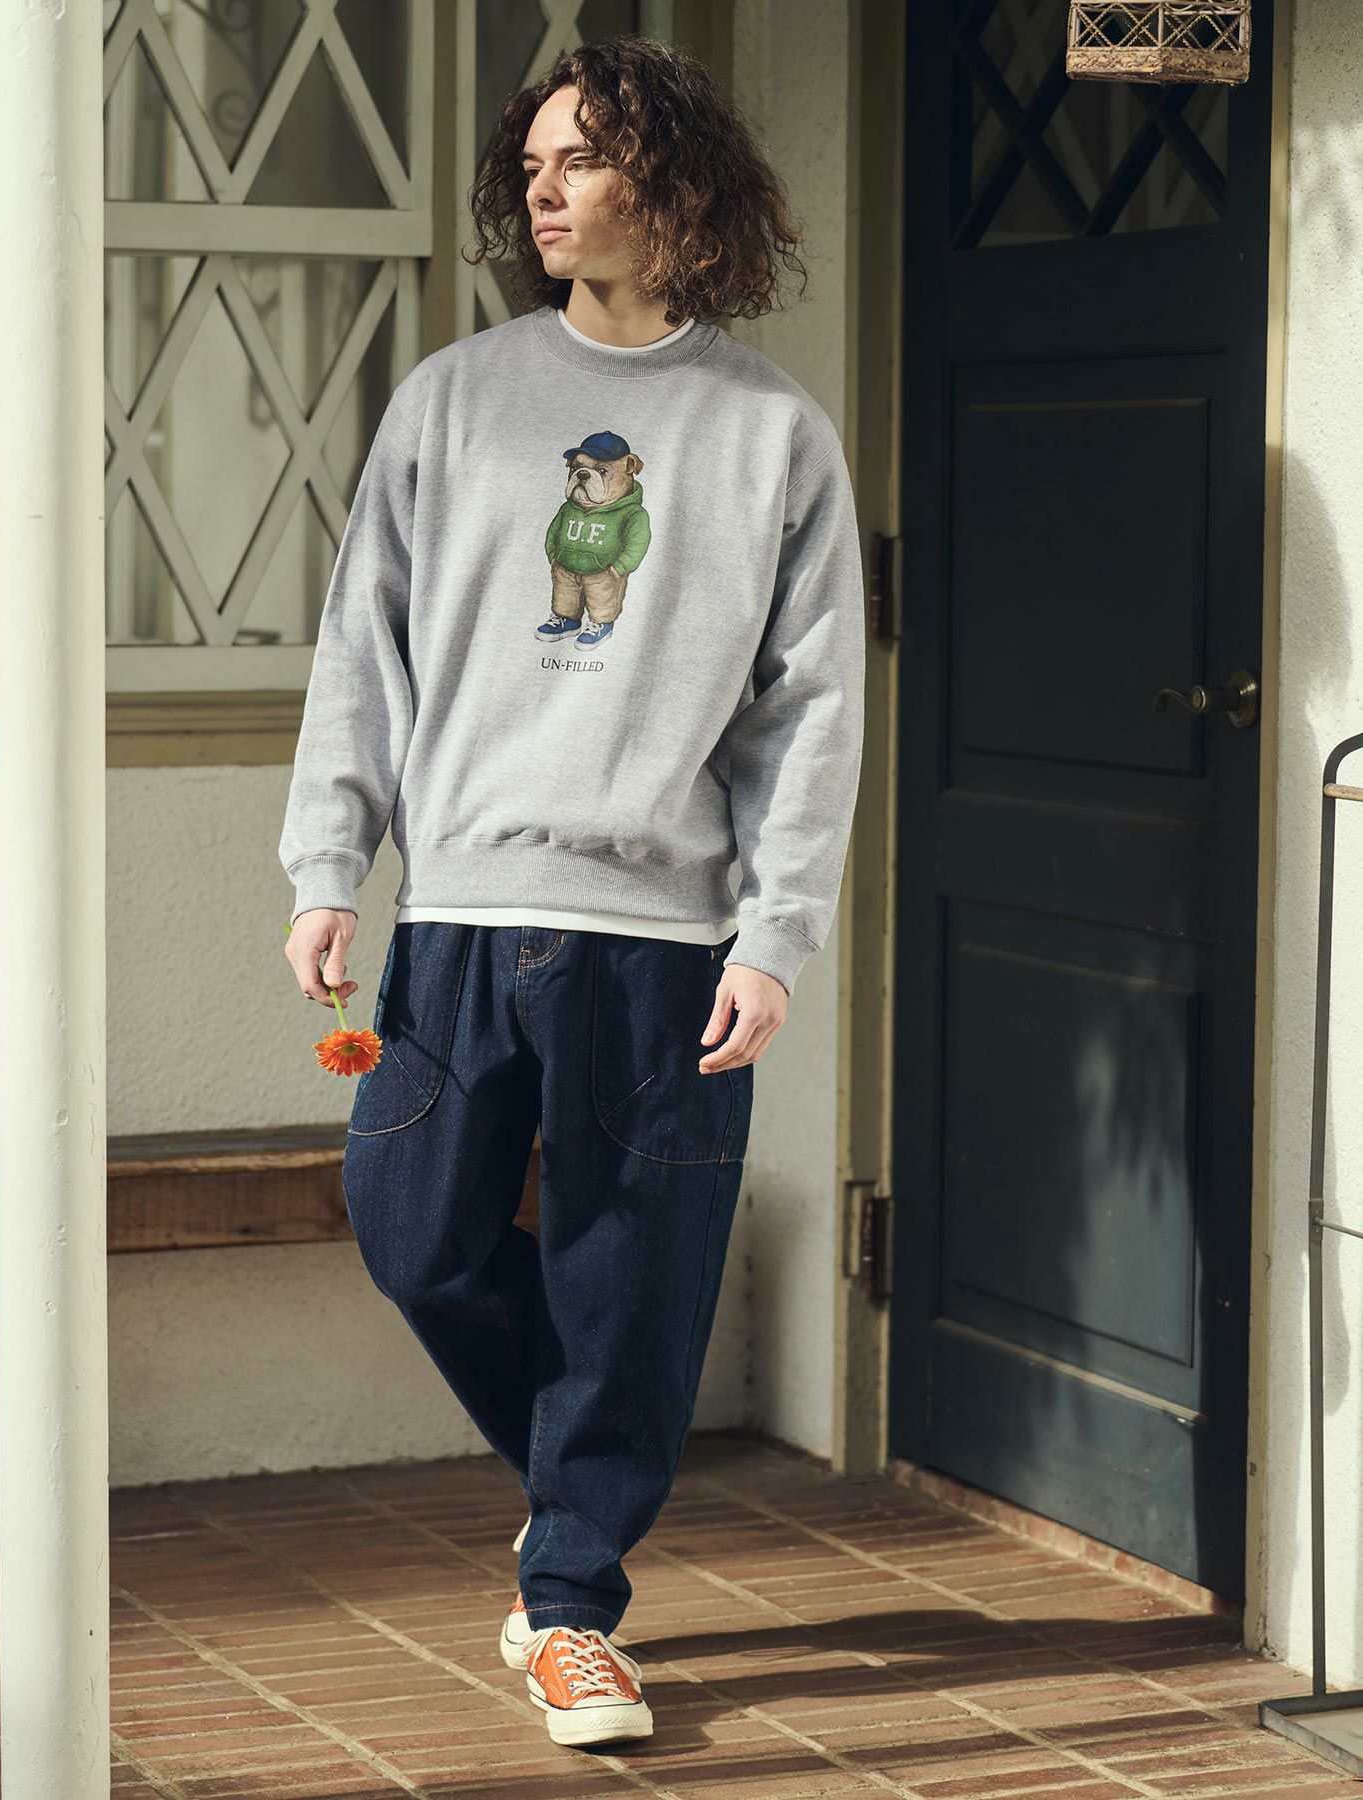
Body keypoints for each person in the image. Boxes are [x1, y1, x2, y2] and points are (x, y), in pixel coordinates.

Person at [279, 33, 867, 1750]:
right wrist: (330, 863)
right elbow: (362, 654)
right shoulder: (453, 402)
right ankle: (575, 1485)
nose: (543, 190)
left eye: (582, 159)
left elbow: (812, 713)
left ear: (673, 187)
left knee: (638, 1284)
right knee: (412, 1229)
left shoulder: (770, 435)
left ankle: (571, 1612)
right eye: (530, 164)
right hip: (463, 913)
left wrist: (778, 933)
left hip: (667, 940)